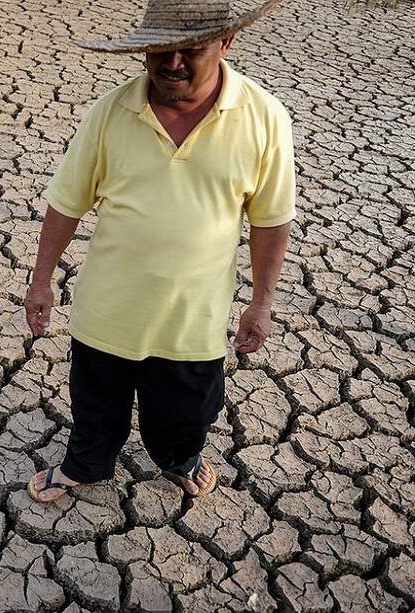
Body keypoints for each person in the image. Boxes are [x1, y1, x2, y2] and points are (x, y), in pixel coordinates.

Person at [25, 0, 295, 502]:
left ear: (226, 42)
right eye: (160, 50)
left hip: (193, 320)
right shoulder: (111, 112)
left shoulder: (264, 118)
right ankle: (84, 463)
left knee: (186, 413)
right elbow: (66, 204)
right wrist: (41, 280)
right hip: (108, 310)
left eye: (189, 49)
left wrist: (261, 303)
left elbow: (270, 220)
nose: (172, 63)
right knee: (95, 404)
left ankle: (179, 457)